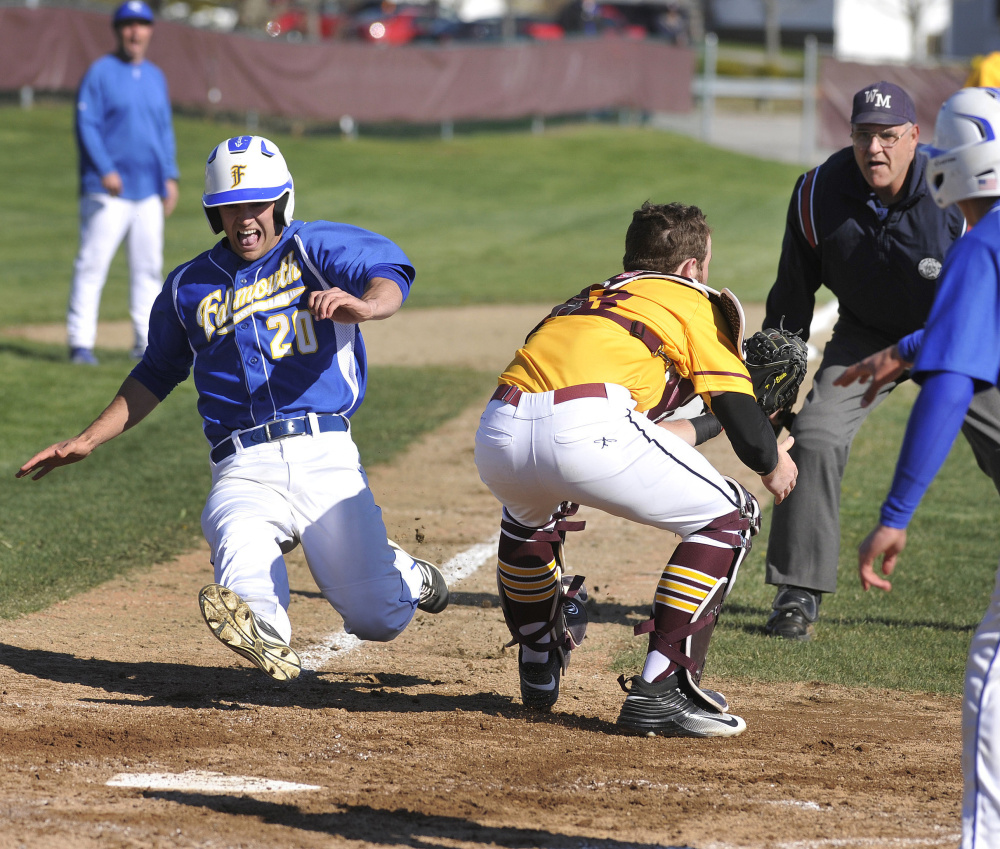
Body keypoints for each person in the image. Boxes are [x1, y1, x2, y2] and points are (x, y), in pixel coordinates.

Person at [18, 134, 449, 682]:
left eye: (257, 204)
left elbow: (389, 273)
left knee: (377, 618)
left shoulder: (313, 250)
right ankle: (264, 633)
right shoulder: (186, 289)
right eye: (230, 208)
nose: (245, 219)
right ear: (214, 214)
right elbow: (156, 371)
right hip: (242, 464)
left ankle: (404, 576)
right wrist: (88, 438)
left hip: (324, 455)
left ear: (282, 203)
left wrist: (365, 306)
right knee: (234, 532)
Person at [474, 201, 797, 737]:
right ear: (692, 268)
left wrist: (718, 421)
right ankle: (663, 690)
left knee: (528, 515)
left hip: (500, 428)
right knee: (730, 515)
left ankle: (538, 653)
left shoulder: (587, 300)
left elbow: (640, 432)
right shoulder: (690, 300)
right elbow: (746, 426)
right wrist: (772, 458)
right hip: (587, 429)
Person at [759, 80, 1000, 642]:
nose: (876, 149)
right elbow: (791, 298)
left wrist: (923, 347)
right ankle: (798, 589)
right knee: (814, 436)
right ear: (851, 136)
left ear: (916, 137)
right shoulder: (818, 193)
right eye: (865, 135)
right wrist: (774, 398)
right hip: (866, 337)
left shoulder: (958, 189)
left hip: (955, 335)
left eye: (890, 136)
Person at [855, 86, 1000, 849]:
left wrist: (895, 515)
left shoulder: (982, 240)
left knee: (994, 666)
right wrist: (913, 346)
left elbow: (952, 384)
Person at [67, 0, 180, 365]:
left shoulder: (156, 75)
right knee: (92, 265)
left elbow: (163, 132)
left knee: (148, 268)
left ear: (149, 30)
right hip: (108, 190)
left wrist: (171, 177)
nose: (135, 31)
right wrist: (105, 169)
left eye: (142, 24)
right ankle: (80, 342)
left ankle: (144, 343)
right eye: (128, 24)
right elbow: (87, 125)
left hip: (148, 189)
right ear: (118, 30)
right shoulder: (100, 72)